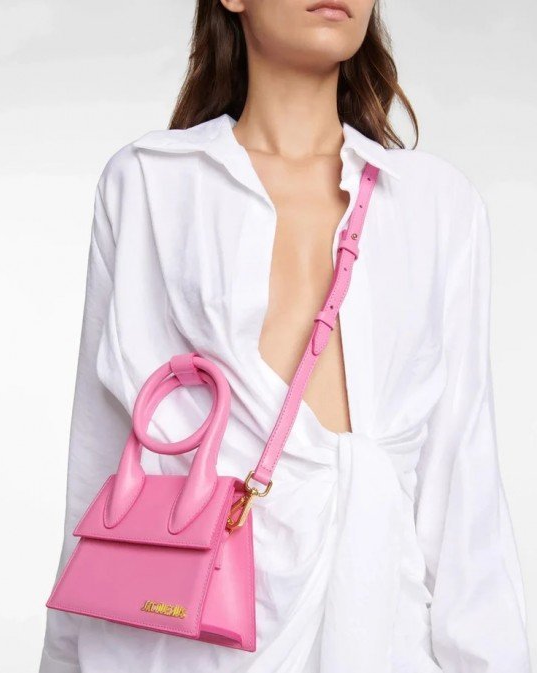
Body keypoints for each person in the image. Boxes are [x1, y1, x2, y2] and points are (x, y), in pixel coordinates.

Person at [39, 1, 532, 671]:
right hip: (187, 645)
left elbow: (463, 473)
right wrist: (62, 658)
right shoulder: (151, 182)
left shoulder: (436, 203)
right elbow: (103, 459)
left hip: (381, 633)